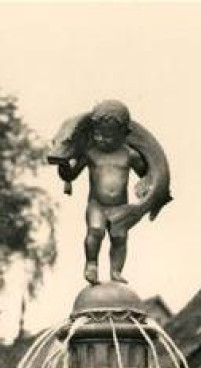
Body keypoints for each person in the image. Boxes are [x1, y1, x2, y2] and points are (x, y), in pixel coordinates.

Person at [58, 100, 148, 285]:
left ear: (124, 135)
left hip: (121, 207)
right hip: (97, 205)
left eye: (109, 136)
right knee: (95, 231)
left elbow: (145, 173)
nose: (102, 140)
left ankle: (116, 271)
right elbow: (71, 174)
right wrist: (63, 166)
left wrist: (145, 183)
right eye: (98, 134)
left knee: (119, 238)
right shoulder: (91, 153)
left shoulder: (130, 155)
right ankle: (91, 264)